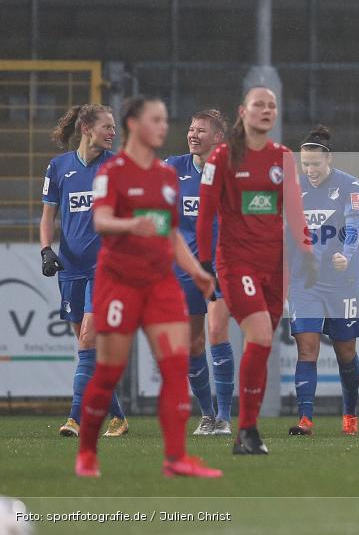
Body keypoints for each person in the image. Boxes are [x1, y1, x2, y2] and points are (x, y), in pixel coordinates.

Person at [75, 96, 221, 478]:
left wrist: (199, 271)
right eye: (156, 119)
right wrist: (130, 226)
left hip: (161, 283)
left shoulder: (166, 175)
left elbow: (171, 233)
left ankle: (176, 458)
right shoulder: (114, 171)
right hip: (119, 282)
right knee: (108, 371)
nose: (165, 126)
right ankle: (87, 452)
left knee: (175, 367)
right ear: (134, 125)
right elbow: (102, 221)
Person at [197, 86, 315, 455]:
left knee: (260, 346)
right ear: (242, 111)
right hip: (236, 263)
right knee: (261, 334)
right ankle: (247, 429)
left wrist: (307, 249)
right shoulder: (222, 156)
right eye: (258, 105)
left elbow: (294, 208)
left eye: (272, 106)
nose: (266, 110)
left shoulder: (283, 157)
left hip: (274, 264)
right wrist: (205, 264)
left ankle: (246, 431)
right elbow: (205, 214)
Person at [41, 104, 128, 439]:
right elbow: (48, 216)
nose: (113, 132)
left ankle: (75, 418)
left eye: (114, 127)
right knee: (87, 349)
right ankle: (118, 416)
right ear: (87, 127)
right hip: (71, 268)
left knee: (89, 341)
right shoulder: (59, 167)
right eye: (107, 126)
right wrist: (46, 250)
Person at [287, 125, 359, 437]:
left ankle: (350, 415)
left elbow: (355, 227)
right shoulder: (293, 189)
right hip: (305, 281)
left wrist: (346, 256)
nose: (310, 170)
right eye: (305, 164)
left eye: (316, 164)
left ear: (328, 159)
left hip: (342, 282)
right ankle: (305, 419)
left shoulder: (350, 185)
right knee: (307, 349)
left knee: (346, 352)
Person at [165, 110, 234, 436]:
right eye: (191, 129)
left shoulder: (232, 171)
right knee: (193, 343)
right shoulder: (173, 168)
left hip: (221, 266)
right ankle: (206, 415)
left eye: (201, 131)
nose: (193, 135)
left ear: (218, 138)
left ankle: (224, 416)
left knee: (217, 331)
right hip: (184, 270)